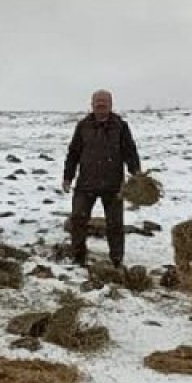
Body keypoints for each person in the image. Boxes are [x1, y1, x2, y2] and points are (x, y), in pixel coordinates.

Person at [62, 90, 141, 268]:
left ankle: (117, 260)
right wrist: (68, 177)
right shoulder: (83, 126)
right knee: (78, 220)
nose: (101, 104)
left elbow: (130, 152)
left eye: (104, 101)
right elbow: (73, 153)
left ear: (111, 104)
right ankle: (78, 258)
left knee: (115, 225)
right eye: (97, 101)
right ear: (92, 104)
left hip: (113, 186)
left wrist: (136, 174)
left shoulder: (120, 126)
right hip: (85, 183)